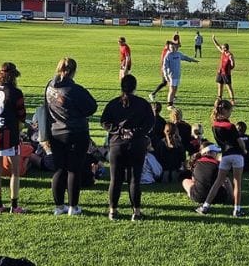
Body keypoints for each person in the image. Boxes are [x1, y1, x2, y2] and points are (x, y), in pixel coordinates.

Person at [42, 58, 98, 216]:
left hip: (55, 132)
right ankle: (73, 206)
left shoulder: (50, 86)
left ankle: (59, 206)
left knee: (60, 169)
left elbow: (46, 107)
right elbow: (92, 107)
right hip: (76, 132)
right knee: (74, 169)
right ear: (73, 71)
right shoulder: (74, 90)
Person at [100, 74, 155, 221]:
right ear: (135, 87)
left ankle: (113, 210)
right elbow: (150, 123)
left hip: (117, 145)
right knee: (134, 179)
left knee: (115, 179)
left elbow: (104, 122)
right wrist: (135, 132)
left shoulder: (113, 103)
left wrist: (118, 130)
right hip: (136, 145)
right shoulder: (143, 104)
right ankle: (136, 212)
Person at [0, 62, 28, 213]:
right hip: (9, 133)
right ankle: (14, 206)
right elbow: (22, 115)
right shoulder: (16, 92)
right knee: (15, 171)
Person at [196, 98, 246, 217]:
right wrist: (244, 150)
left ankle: (205, 206)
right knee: (237, 183)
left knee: (218, 182)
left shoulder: (214, 126)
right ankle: (237, 209)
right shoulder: (230, 126)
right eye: (230, 111)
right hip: (236, 155)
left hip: (225, 155)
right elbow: (240, 142)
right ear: (226, 111)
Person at [161, 41, 198, 106]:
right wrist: (166, 76)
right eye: (171, 47)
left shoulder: (178, 54)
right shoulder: (168, 56)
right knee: (171, 90)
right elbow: (164, 67)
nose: (173, 48)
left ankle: (172, 103)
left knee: (175, 90)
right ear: (169, 48)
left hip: (177, 75)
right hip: (171, 76)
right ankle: (169, 105)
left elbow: (185, 57)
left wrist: (193, 60)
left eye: (173, 47)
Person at [212, 35, 236, 103]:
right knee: (220, 85)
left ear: (226, 48)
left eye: (223, 48)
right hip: (220, 72)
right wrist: (213, 39)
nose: (221, 49)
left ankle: (232, 99)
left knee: (228, 86)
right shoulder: (223, 52)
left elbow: (233, 65)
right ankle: (219, 98)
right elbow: (217, 46)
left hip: (226, 73)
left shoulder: (230, 55)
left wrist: (229, 69)